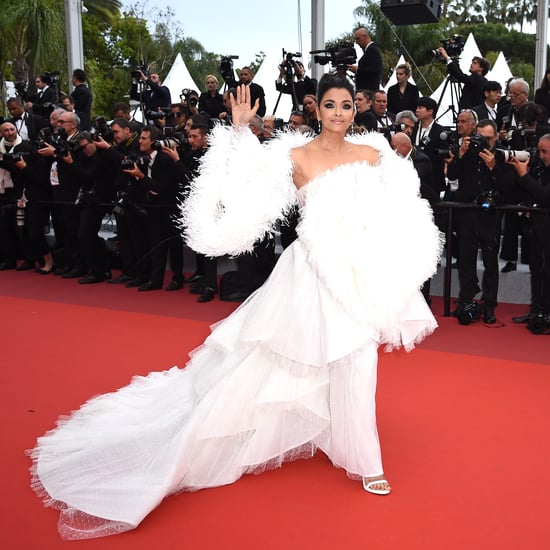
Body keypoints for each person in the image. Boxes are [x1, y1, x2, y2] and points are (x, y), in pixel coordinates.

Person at [29, 75, 442, 540]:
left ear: (356, 109)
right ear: (317, 109)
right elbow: (249, 186)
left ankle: (361, 454)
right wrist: (240, 132)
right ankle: (311, 433)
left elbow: (398, 209)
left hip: (356, 273)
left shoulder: (373, 155)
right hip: (309, 271)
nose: (340, 113)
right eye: (330, 105)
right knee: (283, 359)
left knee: (358, 359)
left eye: (347, 105)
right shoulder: (295, 156)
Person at [446, 118, 517, 324]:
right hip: (467, 214)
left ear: (495, 137)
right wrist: (460, 155)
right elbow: (452, 175)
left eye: (487, 138)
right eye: (480, 137)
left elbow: (509, 187)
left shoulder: (503, 155)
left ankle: (489, 305)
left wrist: (493, 166)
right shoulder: (467, 151)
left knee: (490, 263)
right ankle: (466, 301)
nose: (483, 142)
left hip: (490, 215)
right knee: (466, 261)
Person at [350, 27, 382, 93]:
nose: (356, 42)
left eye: (358, 39)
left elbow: (373, 70)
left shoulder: (372, 50)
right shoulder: (370, 50)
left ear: (365, 36)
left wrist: (357, 70)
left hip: (368, 94)